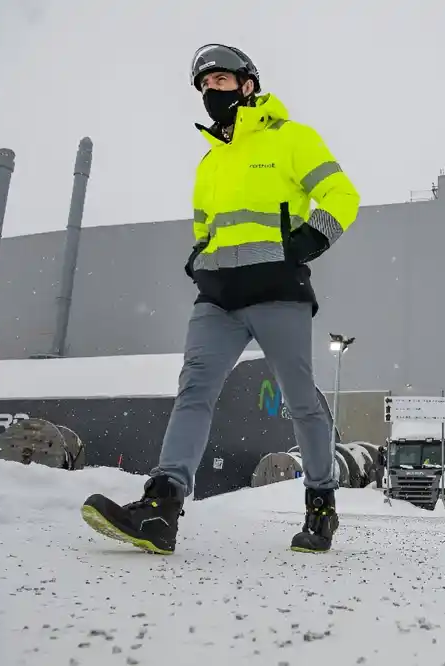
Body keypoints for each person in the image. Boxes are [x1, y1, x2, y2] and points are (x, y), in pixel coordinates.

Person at [80, 43, 360, 555]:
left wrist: (311, 240)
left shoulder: (293, 139)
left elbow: (343, 195)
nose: (211, 91)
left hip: (277, 291)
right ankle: (163, 506)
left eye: (221, 81)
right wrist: (199, 256)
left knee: (301, 401)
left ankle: (321, 503)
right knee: (194, 390)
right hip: (218, 299)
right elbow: (206, 226)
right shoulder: (209, 162)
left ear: (247, 85)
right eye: (205, 85)